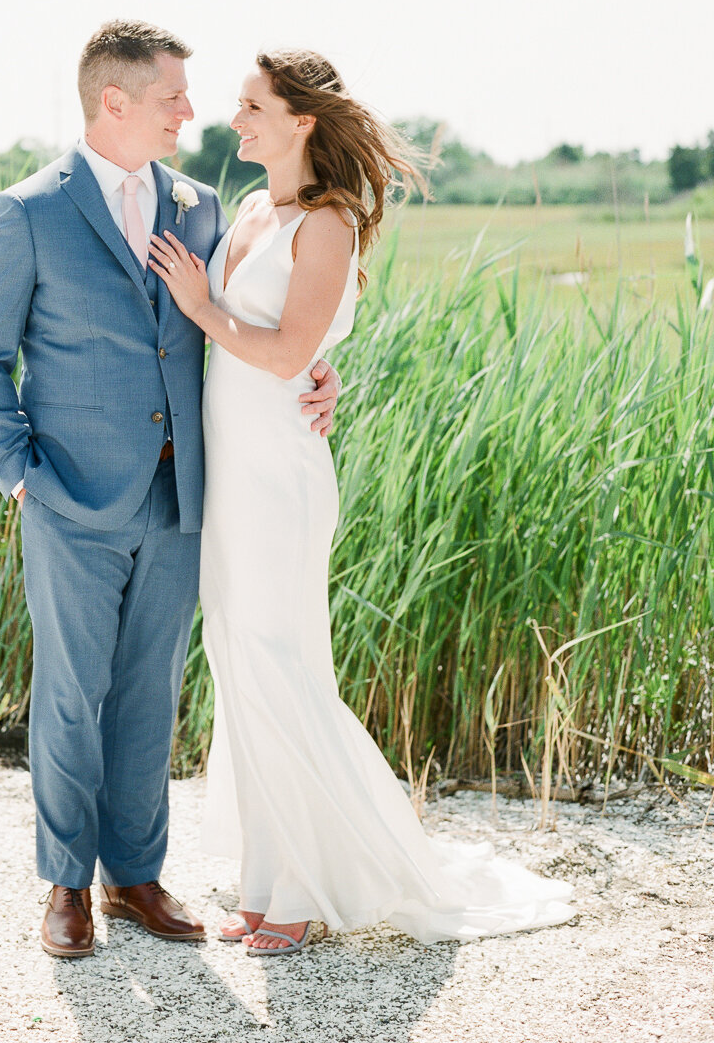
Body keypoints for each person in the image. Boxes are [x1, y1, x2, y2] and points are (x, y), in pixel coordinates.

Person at [148, 50, 576, 956]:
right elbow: (278, 347)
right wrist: (267, 343)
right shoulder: (256, 210)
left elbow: (282, 349)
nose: (237, 120)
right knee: (240, 667)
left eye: (253, 106)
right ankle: (266, 879)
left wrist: (198, 304)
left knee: (282, 665)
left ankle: (304, 885)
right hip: (231, 476)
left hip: (282, 482)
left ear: (302, 121)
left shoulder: (330, 223)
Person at [0, 21, 340, 958]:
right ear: (114, 101)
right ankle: (66, 886)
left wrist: (318, 378)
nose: (191, 112)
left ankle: (135, 878)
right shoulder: (29, 211)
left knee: (149, 693)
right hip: (69, 499)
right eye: (174, 96)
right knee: (71, 692)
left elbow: (258, 327)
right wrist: (19, 478)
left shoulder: (205, 206)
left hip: (185, 501)